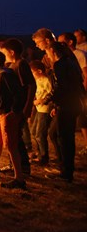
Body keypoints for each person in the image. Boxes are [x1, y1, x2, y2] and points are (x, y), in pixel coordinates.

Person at [0, 51, 26, 189]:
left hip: (8, 113)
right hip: (2, 113)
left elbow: (18, 93)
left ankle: (19, 178)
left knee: (11, 145)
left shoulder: (6, 75)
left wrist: (14, 111)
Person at [45, 42, 84, 183]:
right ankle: (64, 167)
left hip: (67, 105)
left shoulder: (59, 65)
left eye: (48, 52)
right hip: (73, 104)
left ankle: (66, 173)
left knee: (65, 138)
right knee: (56, 134)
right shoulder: (71, 62)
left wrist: (48, 98)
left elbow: (61, 86)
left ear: (53, 52)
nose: (47, 55)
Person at [1, 38, 36, 175]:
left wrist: (27, 107)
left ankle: (23, 167)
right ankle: (15, 165)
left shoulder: (21, 64)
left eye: (5, 52)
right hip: (13, 107)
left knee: (16, 137)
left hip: (19, 108)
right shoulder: (12, 65)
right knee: (13, 137)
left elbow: (31, 86)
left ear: (12, 52)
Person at [29, 60, 53, 165]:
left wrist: (41, 101)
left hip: (45, 110)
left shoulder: (46, 80)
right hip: (39, 109)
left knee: (40, 134)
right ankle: (39, 153)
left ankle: (44, 157)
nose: (32, 75)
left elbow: (51, 94)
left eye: (33, 72)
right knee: (34, 132)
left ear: (39, 71)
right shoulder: (37, 80)